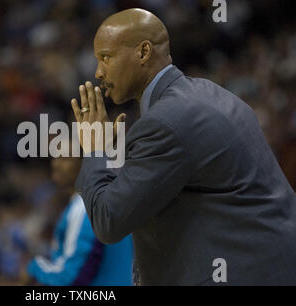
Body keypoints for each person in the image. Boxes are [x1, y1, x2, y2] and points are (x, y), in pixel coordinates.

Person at [70, 8, 296, 285]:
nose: (98, 72)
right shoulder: (208, 93)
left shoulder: (165, 123)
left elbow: (109, 221)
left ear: (143, 52)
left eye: (106, 57)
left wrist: (94, 151)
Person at [25, 142, 134, 286]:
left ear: (86, 163)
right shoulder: (106, 199)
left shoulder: (83, 207)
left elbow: (72, 277)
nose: (55, 164)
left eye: (65, 158)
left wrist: (34, 267)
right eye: (55, 157)